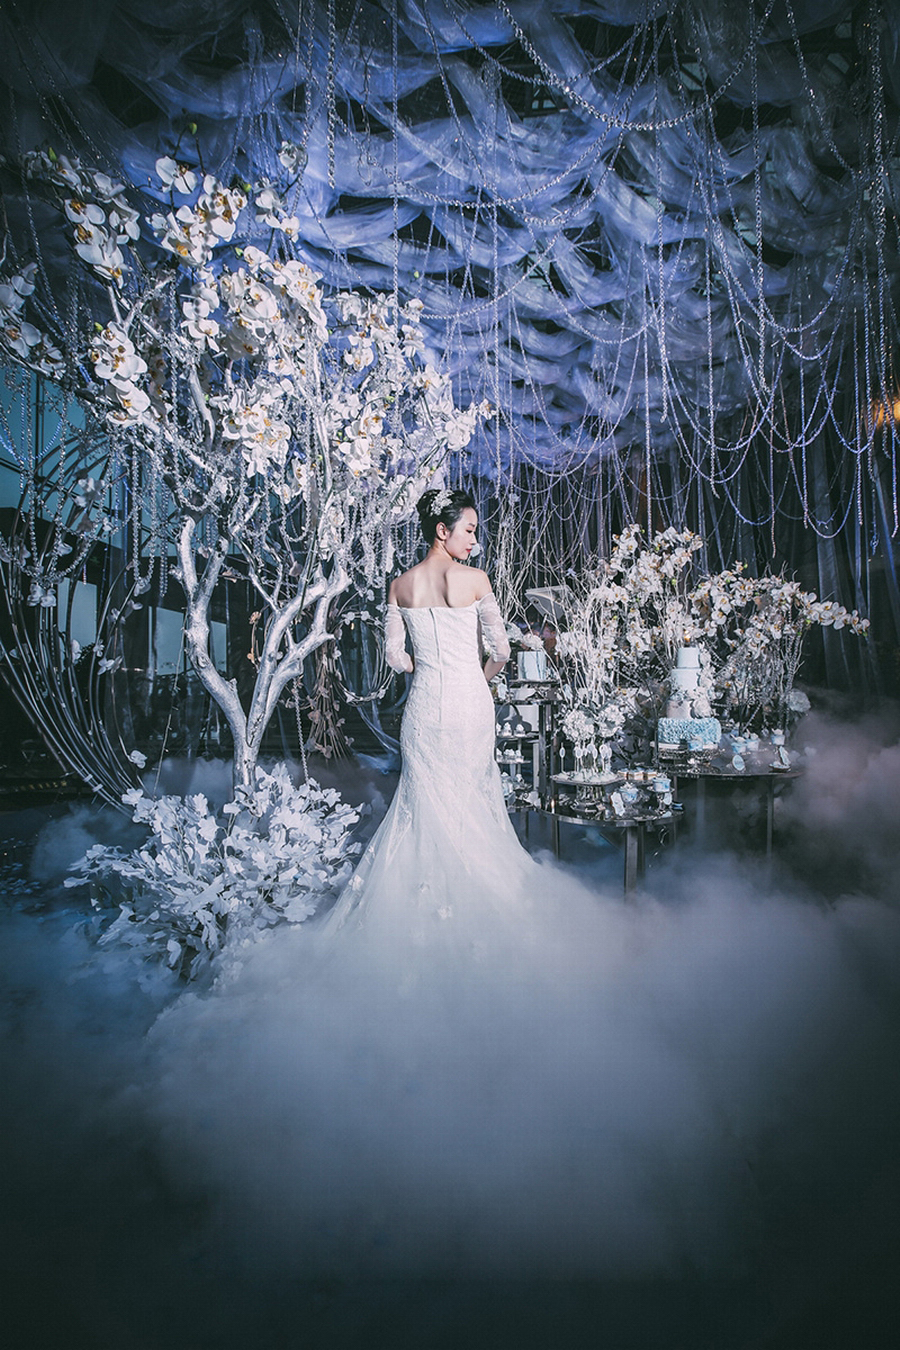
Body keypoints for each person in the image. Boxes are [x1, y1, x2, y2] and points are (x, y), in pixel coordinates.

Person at [324, 487, 534, 938]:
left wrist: (423, 667)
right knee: (470, 801)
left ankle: (420, 913)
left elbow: (394, 657)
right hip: (470, 702)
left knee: (421, 804)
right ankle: (478, 911)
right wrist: (477, 678)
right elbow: (501, 651)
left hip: (423, 707)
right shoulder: (475, 580)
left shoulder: (400, 586)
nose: (475, 540)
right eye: (469, 530)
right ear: (442, 530)